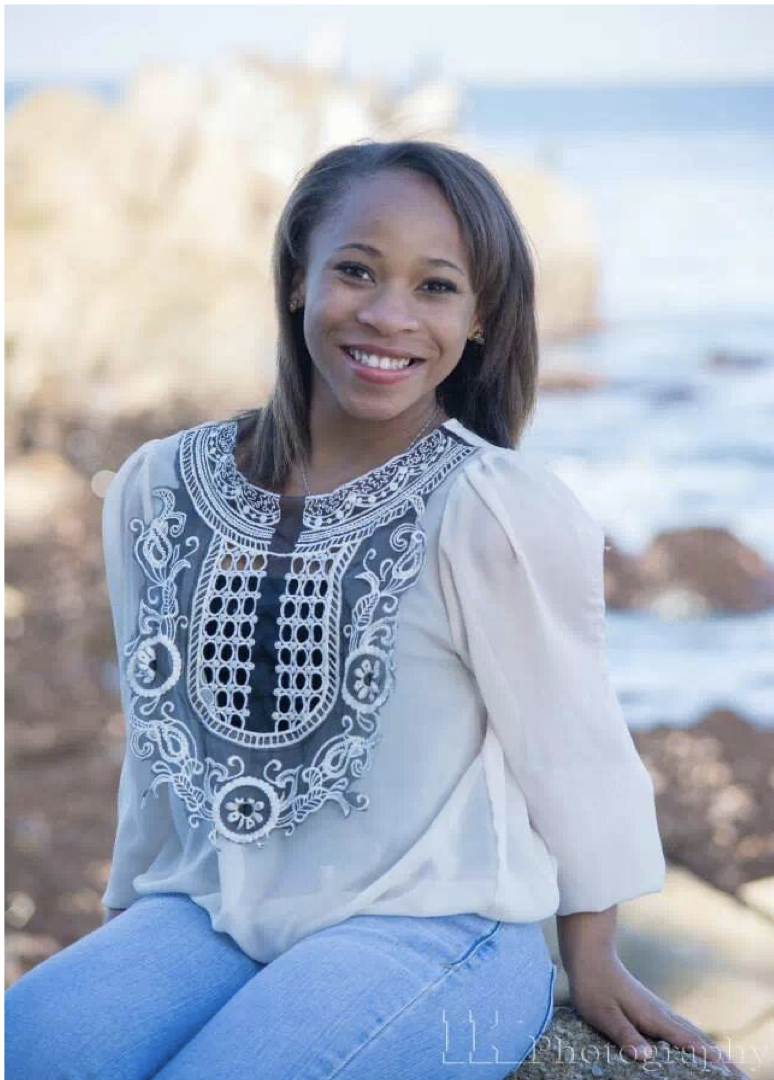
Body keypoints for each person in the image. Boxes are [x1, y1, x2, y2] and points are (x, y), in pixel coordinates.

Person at [5, 139, 746, 1080]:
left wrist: (591, 955)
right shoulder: (160, 486)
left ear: (480, 319)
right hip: (215, 913)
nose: (389, 316)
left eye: (437, 287)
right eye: (356, 271)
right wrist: (129, 933)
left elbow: (574, 747)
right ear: (296, 280)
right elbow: (157, 741)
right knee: (31, 1048)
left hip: (439, 929)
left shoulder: (491, 506)